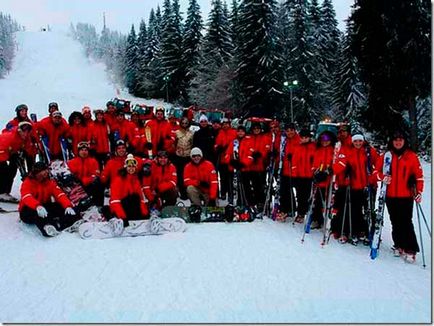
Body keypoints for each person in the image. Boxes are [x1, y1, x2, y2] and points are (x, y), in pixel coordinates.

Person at [380, 130, 424, 263]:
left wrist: (418, 191)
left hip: (406, 194)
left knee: (406, 221)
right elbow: (376, 171)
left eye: (400, 140)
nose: (398, 142)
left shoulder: (411, 156)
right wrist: (383, 177)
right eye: (395, 140)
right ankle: (398, 244)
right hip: (390, 194)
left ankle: (410, 248)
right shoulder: (387, 156)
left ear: (404, 142)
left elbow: (419, 176)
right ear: (392, 142)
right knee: (395, 221)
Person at [331, 132, 380, 244]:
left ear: (363, 141)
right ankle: (348, 230)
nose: (358, 143)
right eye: (355, 141)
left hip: (366, 185)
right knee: (352, 209)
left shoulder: (369, 151)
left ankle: (364, 231)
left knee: (366, 210)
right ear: (352, 141)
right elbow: (341, 163)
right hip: (352, 185)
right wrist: (331, 170)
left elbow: (378, 163)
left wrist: (375, 175)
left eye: (360, 141)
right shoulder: (347, 150)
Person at [19, 161, 79, 237]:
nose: (46, 172)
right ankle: (47, 227)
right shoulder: (28, 182)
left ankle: (70, 222)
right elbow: (26, 196)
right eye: (43, 170)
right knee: (37, 214)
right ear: (36, 172)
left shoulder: (49, 182)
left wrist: (67, 206)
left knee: (59, 206)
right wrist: (37, 206)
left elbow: (60, 194)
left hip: (43, 206)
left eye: (46, 170)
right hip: (28, 209)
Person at [108, 154, 149, 227]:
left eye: (133, 166)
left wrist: (145, 214)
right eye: (129, 166)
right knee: (133, 198)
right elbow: (115, 201)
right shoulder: (118, 180)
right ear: (125, 167)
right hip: (120, 209)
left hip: (131, 208)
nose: (131, 169)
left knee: (135, 198)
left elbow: (141, 199)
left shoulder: (136, 180)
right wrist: (122, 217)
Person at [0, 121, 36, 202]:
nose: (25, 133)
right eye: (24, 131)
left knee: (12, 170)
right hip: (2, 152)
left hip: (10, 153)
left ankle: (5, 192)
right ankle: (1, 191)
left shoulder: (26, 139)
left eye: (28, 131)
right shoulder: (10, 137)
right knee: (4, 171)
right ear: (19, 130)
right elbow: (2, 148)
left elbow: (29, 150)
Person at [67, 141, 104, 207]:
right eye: (82, 150)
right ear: (78, 151)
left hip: (89, 185)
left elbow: (96, 175)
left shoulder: (93, 161)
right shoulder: (71, 162)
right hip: (77, 186)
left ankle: (99, 206)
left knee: (98, 182)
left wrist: (85, 180)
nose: (84, 152)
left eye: (86, 150)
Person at [291, 128, 316, 223]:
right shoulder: (297, 147)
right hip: (299, 175)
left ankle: (306, 212)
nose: (304, 139)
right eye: (302, 137)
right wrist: (294, 175)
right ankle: (301, 212)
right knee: (300, 195)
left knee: (307, 195)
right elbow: (294, 162)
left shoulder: (313, 147)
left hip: (309, 176)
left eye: (306, 137)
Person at [214, 118, 237, 200]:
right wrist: (217, 148)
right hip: (222, 158)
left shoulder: (234, 132)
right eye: (223, 124)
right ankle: (223, 193)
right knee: (222, 177)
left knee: (230, 177)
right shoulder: (220, 133)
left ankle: (231, 194)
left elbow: (236, 143)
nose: (225, 125)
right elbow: (216, 144)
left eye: (226, 123)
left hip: (231, 158)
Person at [173, 117, 194, 200]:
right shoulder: (177, 132)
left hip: (188, 157)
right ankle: (181, 192)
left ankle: (188, 192)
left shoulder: (191, 133)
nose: (184, 125)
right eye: (183, 123)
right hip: (179, 157)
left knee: (187, 175)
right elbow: (174, 144)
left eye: (186, 123)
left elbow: (192, 144)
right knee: (180, 175)